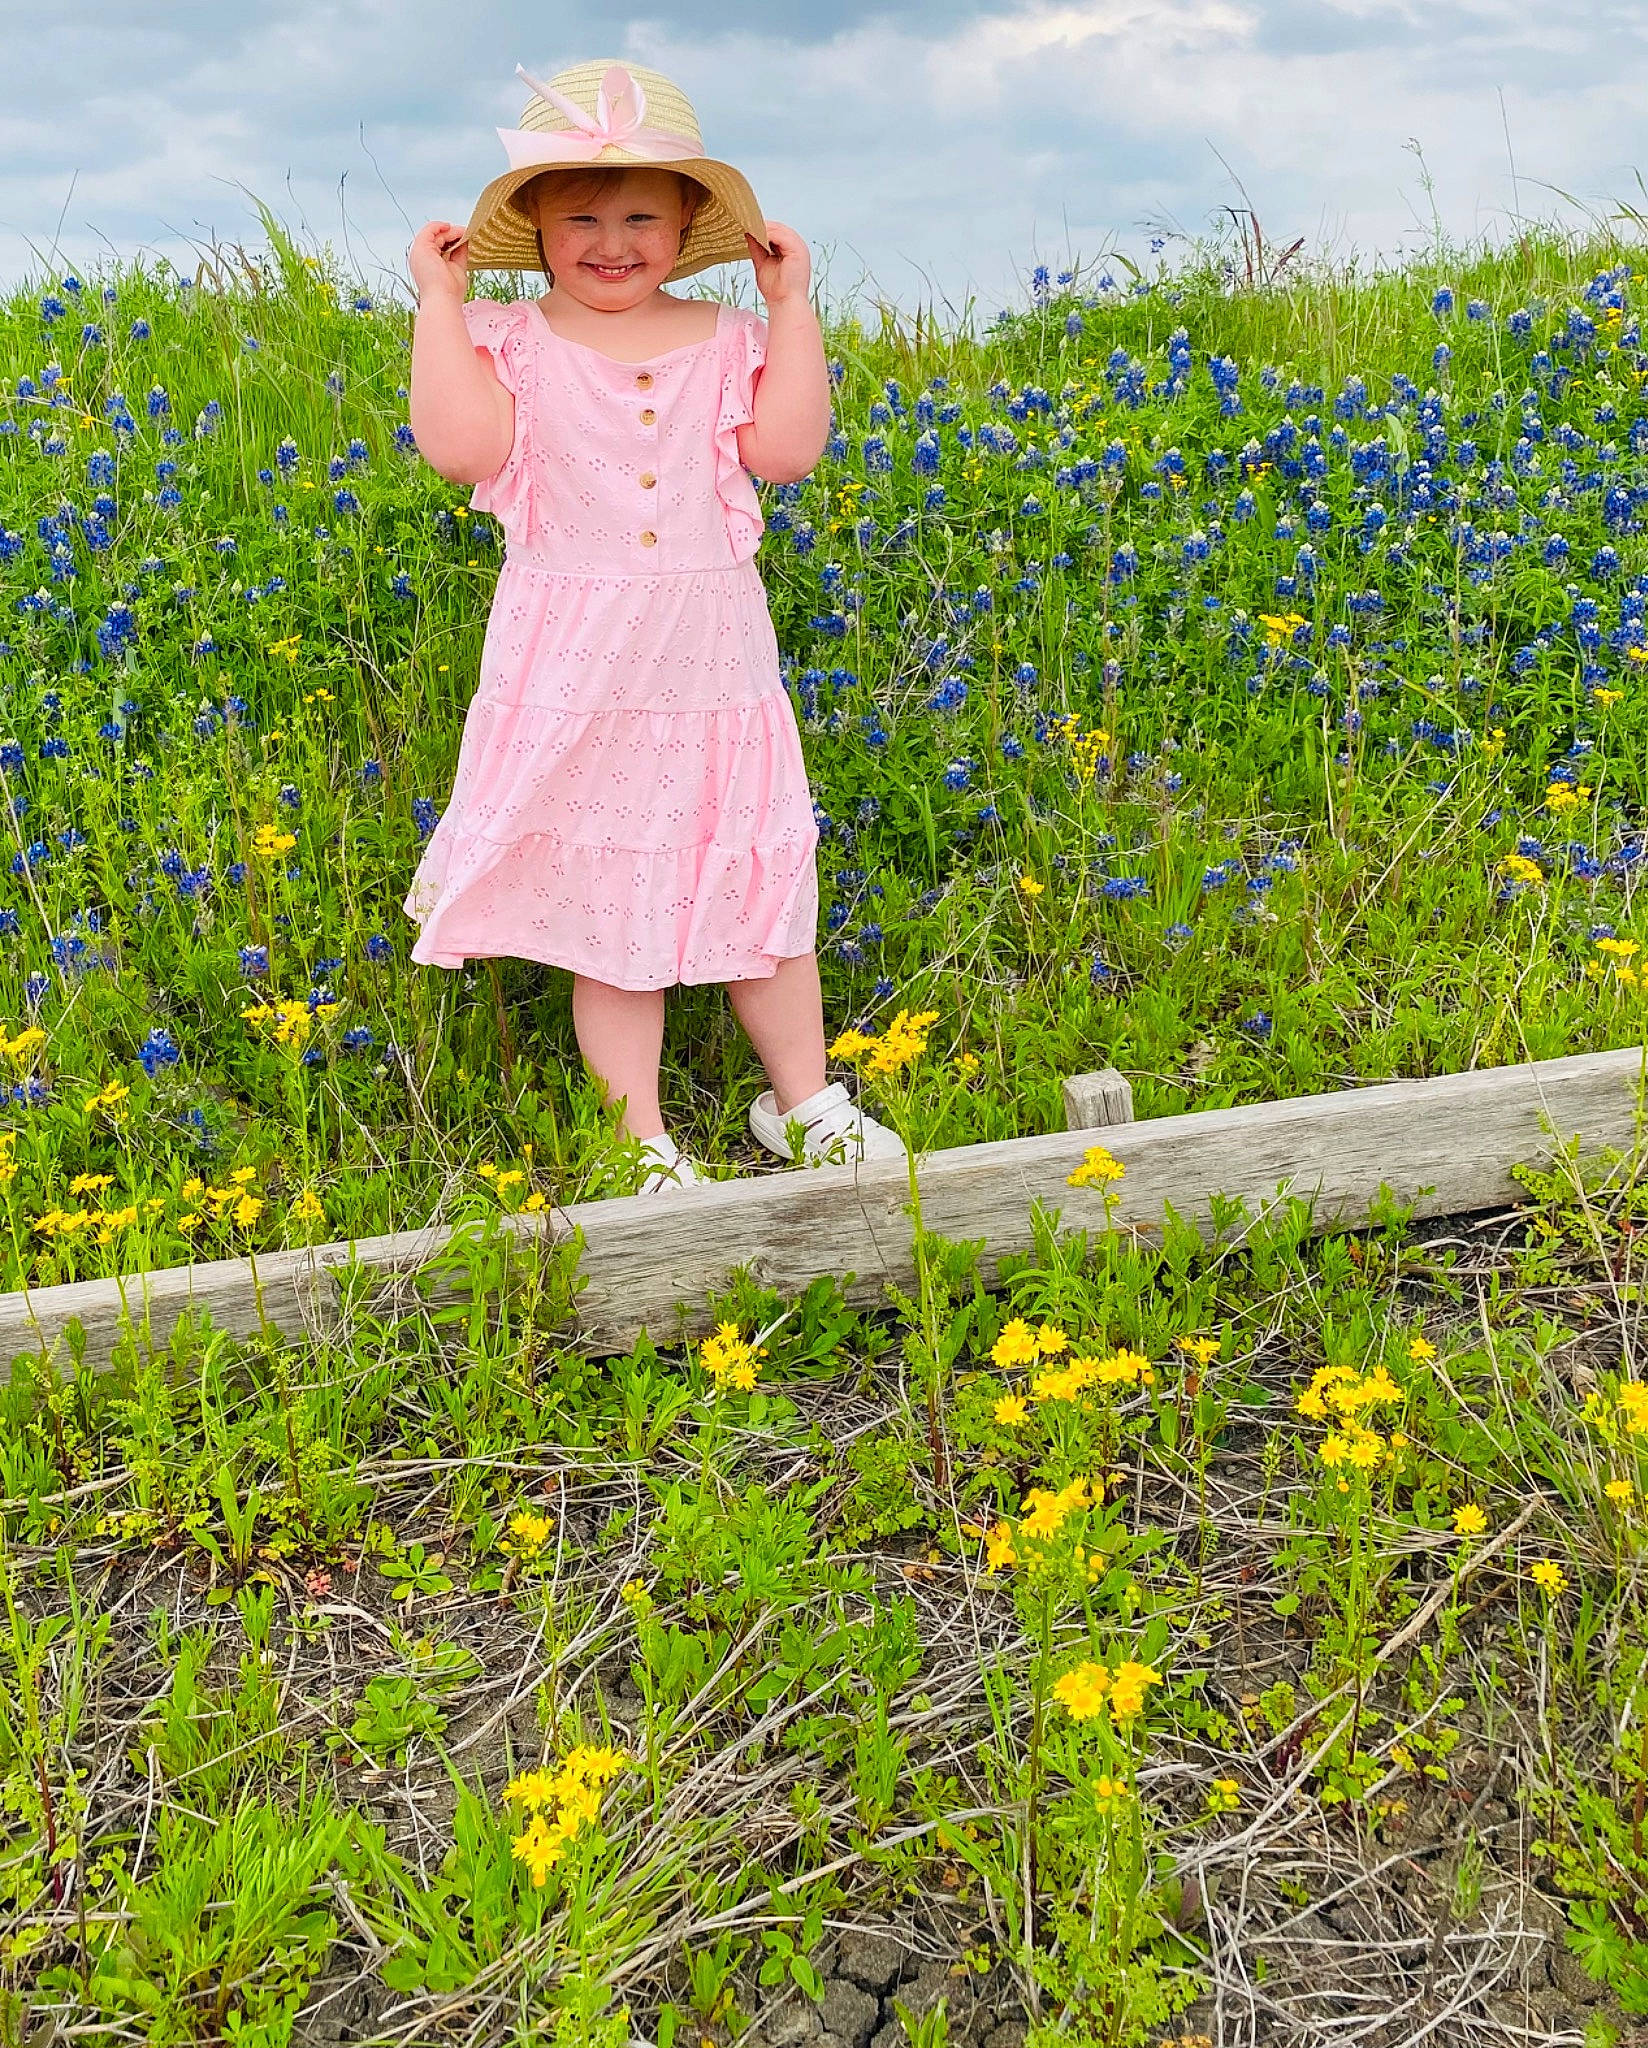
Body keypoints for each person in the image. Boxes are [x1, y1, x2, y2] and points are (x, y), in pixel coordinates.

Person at [404, 59, 905, 1195]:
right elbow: (461, 451)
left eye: (641, 214)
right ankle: (639, 1140)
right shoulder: (509, 339)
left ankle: (805, 1102)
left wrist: (791, 309)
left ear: (690, 223)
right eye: (579, 214)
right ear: (531, 225)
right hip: (575, 663)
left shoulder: (728, 339)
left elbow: (784, 452)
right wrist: (439, 304)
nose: (611, 239)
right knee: (609, 907)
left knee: (761, 883)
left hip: (710, 666)